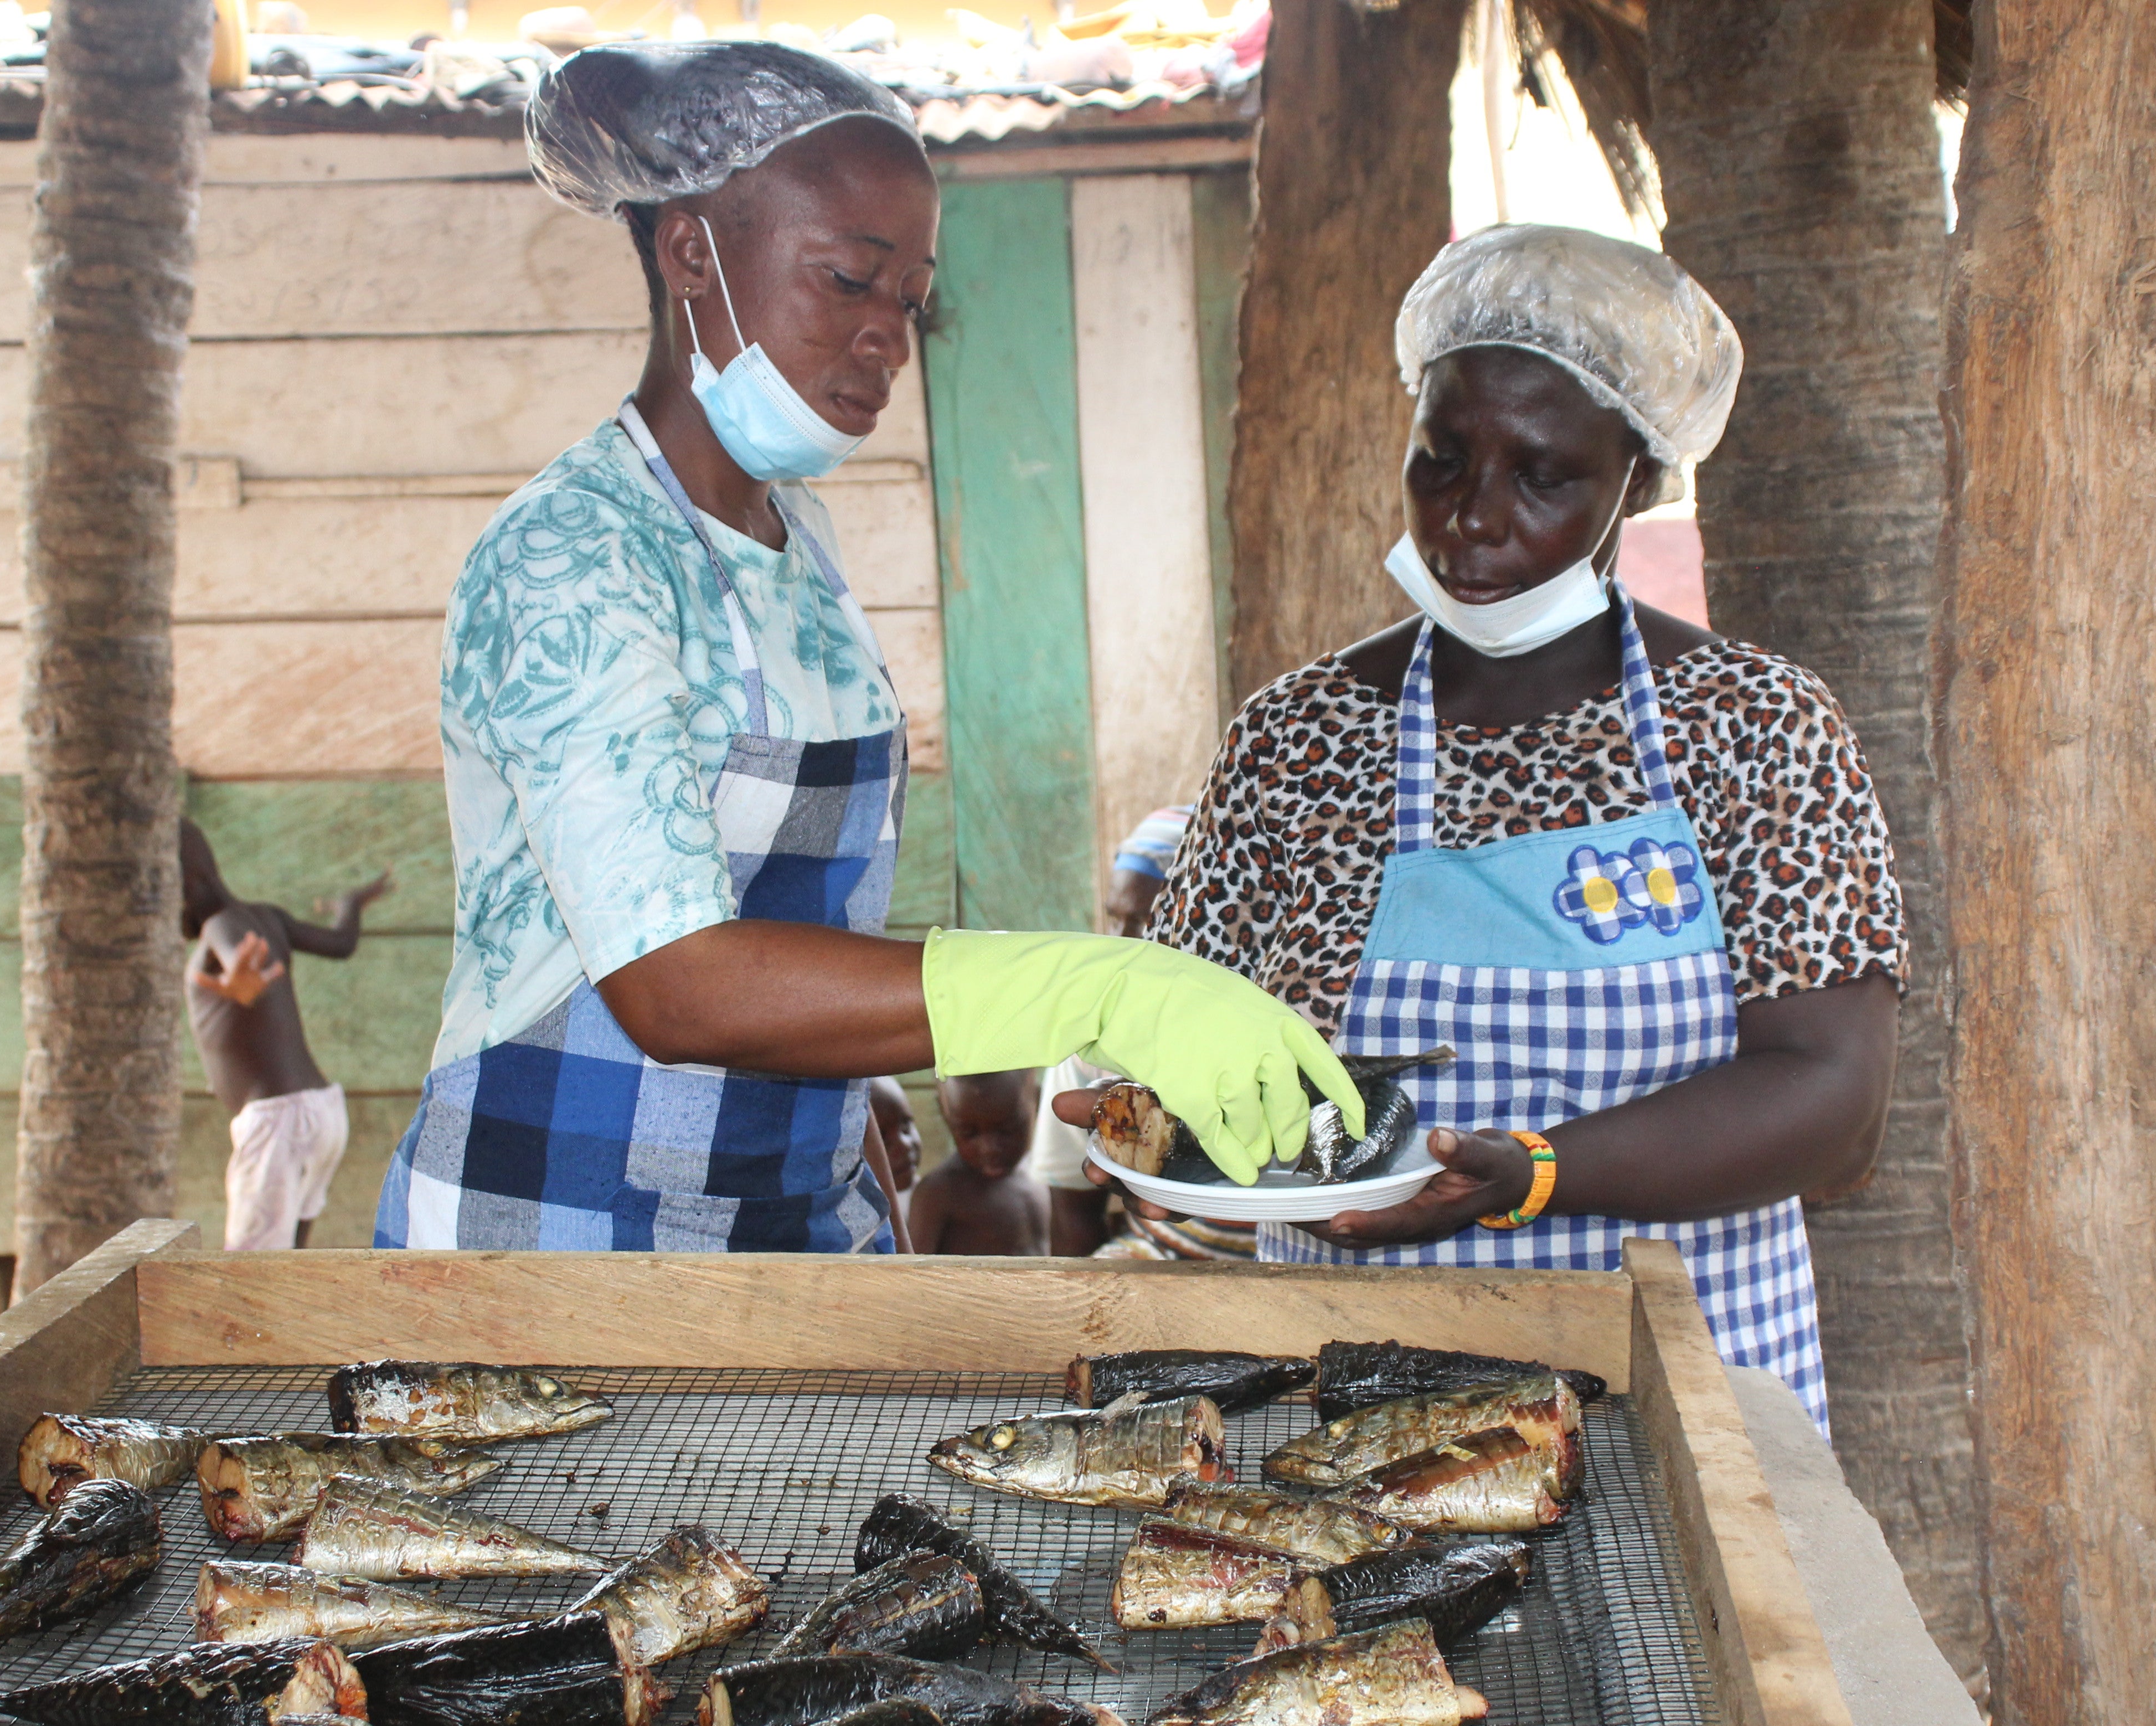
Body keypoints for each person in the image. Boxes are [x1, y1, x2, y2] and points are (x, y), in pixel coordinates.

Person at [376, 42, 1353, 1254]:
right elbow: (677, 981)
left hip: (784, 1217)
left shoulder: (803, 547)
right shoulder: (576, 556)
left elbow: (784, 908)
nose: (889, 336)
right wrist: (1097, 985)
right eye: (848, 280)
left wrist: (857, 1069)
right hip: (556, 1233)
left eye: (910, 299)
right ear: (692, 254)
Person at [1079, 226, 1905, 1430]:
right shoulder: (1303, 741)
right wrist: (1140, 1100)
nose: (1473, 518)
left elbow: (1837, 1101)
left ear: (1641, 478)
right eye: (1442, 461)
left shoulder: (1756, 727)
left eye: (1544, 475)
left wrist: (1532, 1176)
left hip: (1690, 1391)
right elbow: (1192, 1027)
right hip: (1355, 1402)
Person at [1032, 807, 1258, 1260]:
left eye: (1151, 924)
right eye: (1116, 919)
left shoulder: (1277, 1025)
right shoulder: (1092, 1045)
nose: (1122, 945)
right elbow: (1073, 1212)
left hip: (1284, 1268)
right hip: (1159, 1263)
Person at [180, 822, 392, 1251]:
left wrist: (243, 980)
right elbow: (341, 944)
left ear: (180, 882)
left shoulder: (221, 926)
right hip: (322, 1112)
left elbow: (235, 955)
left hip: (279, 1127)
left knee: (250, 1280)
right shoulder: (267, 917)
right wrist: (350, 905)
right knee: (288, 1269)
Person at [905, 1069, 1049, 1254]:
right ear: (944, 1112)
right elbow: (912, 1274)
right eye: (969, 1133)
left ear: (1036, 1102)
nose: (989, 1148)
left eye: (1007, 1130)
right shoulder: (939, 1194)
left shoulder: (1040, 1175)